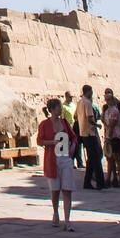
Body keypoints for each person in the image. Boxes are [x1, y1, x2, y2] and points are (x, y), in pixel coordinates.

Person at [38, 98, 77, 230]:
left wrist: (72, 148)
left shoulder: (64, 122)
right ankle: (55, 212)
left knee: (67, 189)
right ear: (53, 109)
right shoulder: (44, 124)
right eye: (59, 107)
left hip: (65, 158)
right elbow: (40, 141)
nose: (61, 109)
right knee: (55, 190)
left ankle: (67, 220)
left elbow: (74, 137)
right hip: (52, 160)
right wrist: (52, 143)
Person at [75, 84, 105, 190]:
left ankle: (88, 182)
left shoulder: (79, 103)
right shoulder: (87, 103)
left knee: (92, 158)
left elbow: (75, 116)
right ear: (88, 91)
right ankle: (100, 182)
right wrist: (98, 125)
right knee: (96, 157)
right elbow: (90, 119)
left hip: (83, 132)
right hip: (90, 132)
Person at [103, 94, 120, 188]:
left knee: (117, 158)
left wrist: (108, 137)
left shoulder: (114, 111)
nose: (107, 101)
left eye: (109, 99)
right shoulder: (107, 111)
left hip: (115, 136)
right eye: (106, 99)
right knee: (110, 158)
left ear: (112, 100)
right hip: (110, 136)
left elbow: (112, 125)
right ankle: (111, 179)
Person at [61, 91, 80, 166]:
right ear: (66, 97)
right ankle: (70, 162)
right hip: (67, 128)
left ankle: (78, 161)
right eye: (70, 97)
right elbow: (62, 118)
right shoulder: (63, 106)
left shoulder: (73, 105)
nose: (71, 98)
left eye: (72, 97)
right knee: (68, 145)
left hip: (74, 127)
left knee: (76, 145)